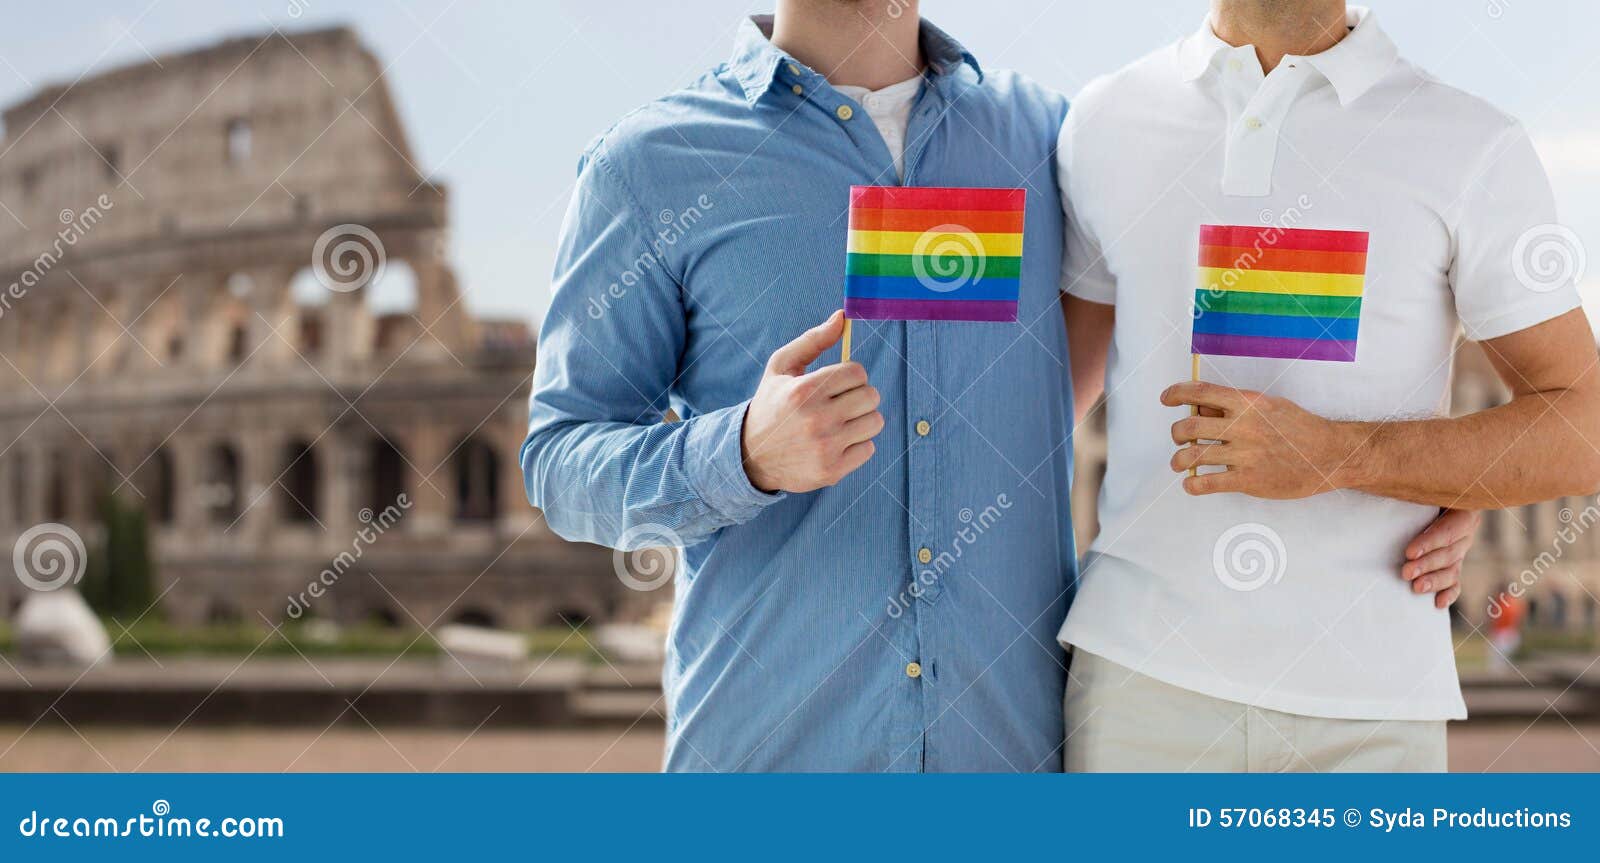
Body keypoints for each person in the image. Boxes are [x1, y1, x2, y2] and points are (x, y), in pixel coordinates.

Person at [526, 0, 1470, 772]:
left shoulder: (1054, 139)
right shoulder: (651, 164)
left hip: (1011, 761)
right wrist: (738, 454)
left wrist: (1408, 476)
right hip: (771, 756)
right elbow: (559, 462)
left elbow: (1207, 328)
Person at [1057, 0, 1598, 771]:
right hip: (1140, 692)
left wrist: (1351, 457)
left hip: (1372, 712)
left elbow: (1584, 427)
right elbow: (1042, 405)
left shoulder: (1470, 141)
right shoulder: (1103, 120)